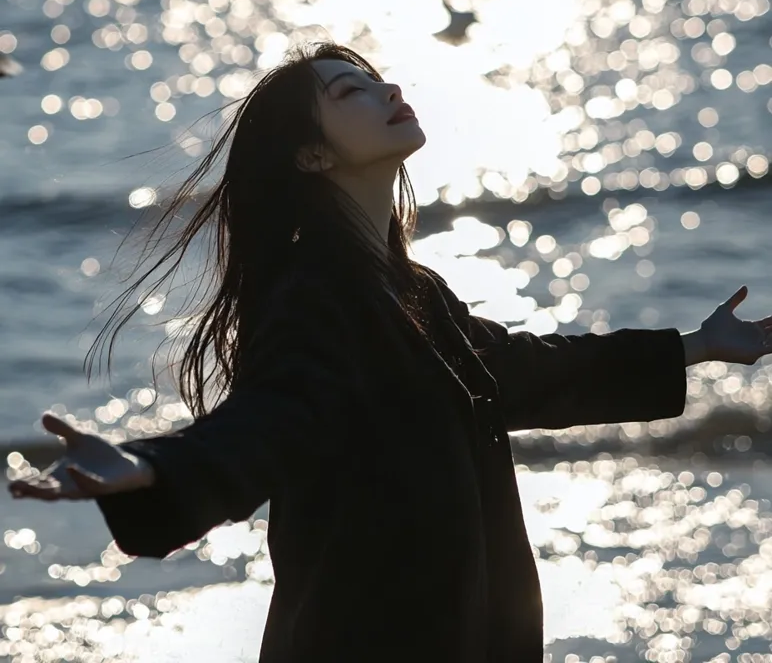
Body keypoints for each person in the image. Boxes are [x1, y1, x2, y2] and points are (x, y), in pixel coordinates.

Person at [8, 41, 772, 663]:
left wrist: (696, 347)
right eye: (351, 92)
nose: (388, 88)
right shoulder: (317, 295)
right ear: (311, 156)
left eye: (375, 78)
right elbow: (274, 418)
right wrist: (153, 470)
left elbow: (524, 372)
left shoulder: (412, 289)